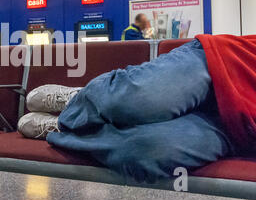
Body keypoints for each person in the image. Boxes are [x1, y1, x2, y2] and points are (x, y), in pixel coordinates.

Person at [17, 37, 239, 183]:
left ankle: (65, 127)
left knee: (145, 150)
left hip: (239, 128)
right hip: (228, 62)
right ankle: (77, 100)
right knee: (135, 100)